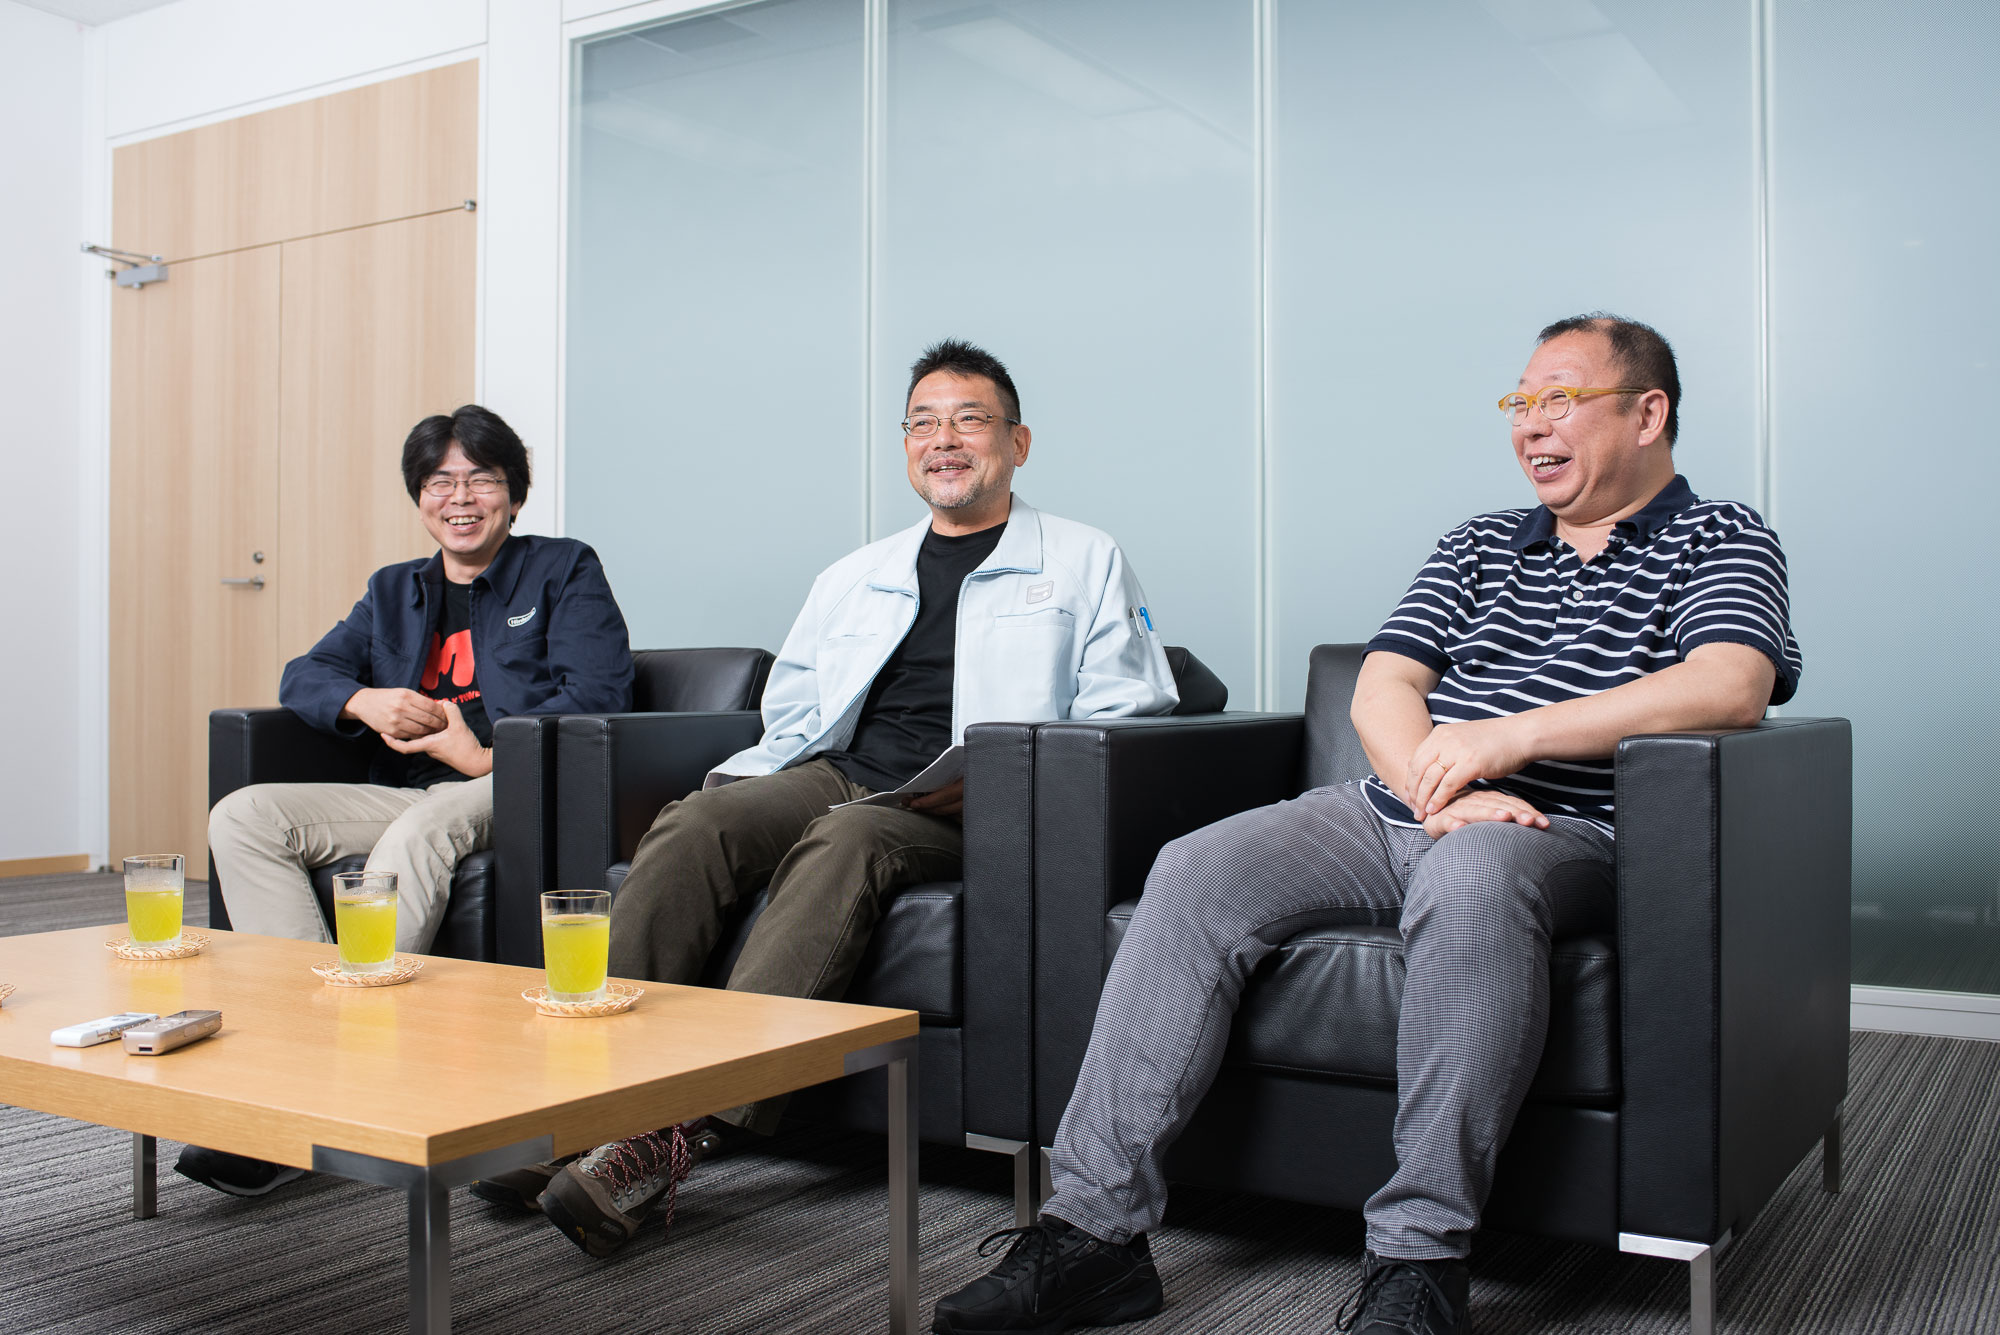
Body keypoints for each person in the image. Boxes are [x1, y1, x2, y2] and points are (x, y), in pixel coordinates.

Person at [932, 314, 1803, 1335]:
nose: (1530, 424)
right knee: (1196, 869)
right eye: (1520, 403)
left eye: (1559, 399)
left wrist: (1505, 739)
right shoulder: (1480, 542)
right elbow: (1384, 685)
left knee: (1471, 874)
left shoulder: (1722, 535)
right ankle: (1093, 1234)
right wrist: (1441, 793)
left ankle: (1417, 1259)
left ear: (1648, 414)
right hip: (1404, 804)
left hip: (1567, 826)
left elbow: (1730, 682)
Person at [475, 339, 1180, 1257]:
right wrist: (767, 778)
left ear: (1018, 442)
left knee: (848, 839)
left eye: (969, 419)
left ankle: (676, 1130)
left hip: (974, 805)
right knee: (695, 823)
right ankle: (585, 1097)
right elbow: (797, 706)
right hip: (842, 770)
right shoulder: (858, 572)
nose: (944, 439)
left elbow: (1128, 707)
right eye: (923, 423)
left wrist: (1004, 777)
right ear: (906, 445)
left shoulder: (1085, 558)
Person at [192, 404, 634, 1197]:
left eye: (481, 479)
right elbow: (304, 674)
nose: (460, 498)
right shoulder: (395, 589)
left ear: (514, 494)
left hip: (513, 784)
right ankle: (302, 1057)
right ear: (419, 496)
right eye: (440, 481)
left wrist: (486, 754)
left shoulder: (562, 569)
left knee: (424, 828)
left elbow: (601, 694)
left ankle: (331, 1082)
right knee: (245, 816)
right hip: (405, 788)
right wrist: (363, 700)